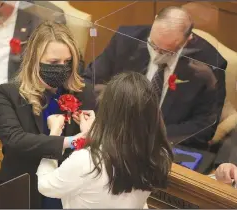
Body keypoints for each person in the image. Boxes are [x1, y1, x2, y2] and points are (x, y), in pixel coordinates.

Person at [83, 6, 227, 150]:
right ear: (155, 20)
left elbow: (204, 126)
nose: (157, 54)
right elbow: (90, 80)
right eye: (153, 45)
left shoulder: (211, 65)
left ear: (188, 39)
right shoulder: (126, 39)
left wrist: (149, 136)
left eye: (167, 51)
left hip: (162, 147)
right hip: (113, 134)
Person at [0, 21, 95, 209]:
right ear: (35, 60)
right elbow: (15, 141)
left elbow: (97, 147)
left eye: (67, 62)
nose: (62, 67)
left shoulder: (83, 93)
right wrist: (70, 141)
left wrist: (94, 131)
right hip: (21, 194)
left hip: (65, 194)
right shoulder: (9, 94)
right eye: (54, 63)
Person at [37, 72, 174, 208]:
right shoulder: (159, 154)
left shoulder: (89, 160)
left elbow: (45, 186)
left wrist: (54, 135)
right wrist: (93, 132)